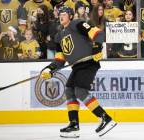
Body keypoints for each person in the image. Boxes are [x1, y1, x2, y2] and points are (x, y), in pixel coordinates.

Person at [40, 6, 117, 138]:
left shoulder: (77, 23)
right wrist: (49, 69)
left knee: (80, 91)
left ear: (70, 16)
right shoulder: (58, 36)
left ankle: (106, 118)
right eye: (60, 14)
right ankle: (74, 125)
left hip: (88, 63)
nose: (61, 16)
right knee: (69, 90)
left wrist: (97, 48)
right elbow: (60, 59)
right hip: (77, 66)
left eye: (64, 14)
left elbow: (98, 33)